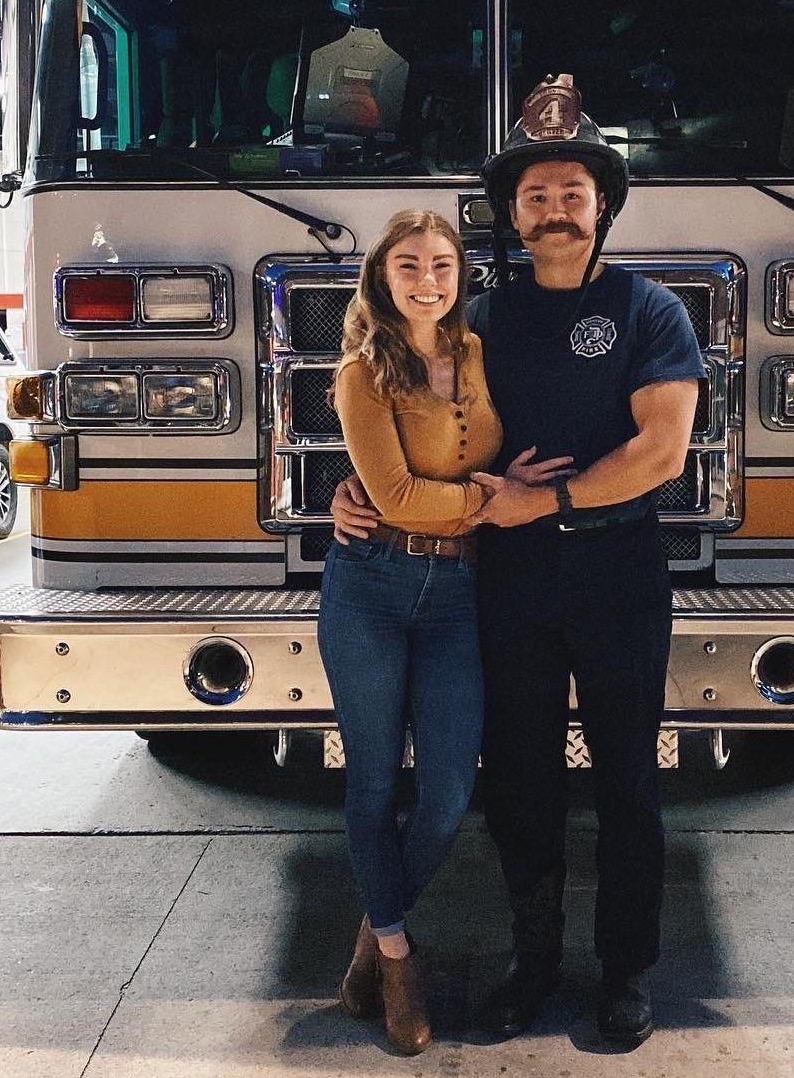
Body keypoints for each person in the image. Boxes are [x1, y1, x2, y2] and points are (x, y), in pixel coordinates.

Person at [332, 74, 703, 1047]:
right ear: (512, 214)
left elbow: (662, 451)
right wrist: (357, 490)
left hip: (619, 573)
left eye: (572, 196)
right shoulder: (481, 320)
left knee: (628, 780)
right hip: (506, 580)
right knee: (522, 784)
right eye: (535, 198)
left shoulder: (650, 312)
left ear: (603, 208)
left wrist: (551, 497)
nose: (554, 212)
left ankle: (624, 974)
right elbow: (413, 413)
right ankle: (531, 963)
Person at [319, 208, 571, 1055]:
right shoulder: (362, 372)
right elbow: (390, 497)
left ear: (461, 274)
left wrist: (503, 491)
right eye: (408, 266)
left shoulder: (479, 351)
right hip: (373, 588)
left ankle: (371, 927)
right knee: (372, 781)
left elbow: (532, 431)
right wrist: (493, 500)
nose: (428, 280)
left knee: (448, 794)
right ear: (382, 278)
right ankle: (396, 960)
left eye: (441, 265)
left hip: (463, 591)